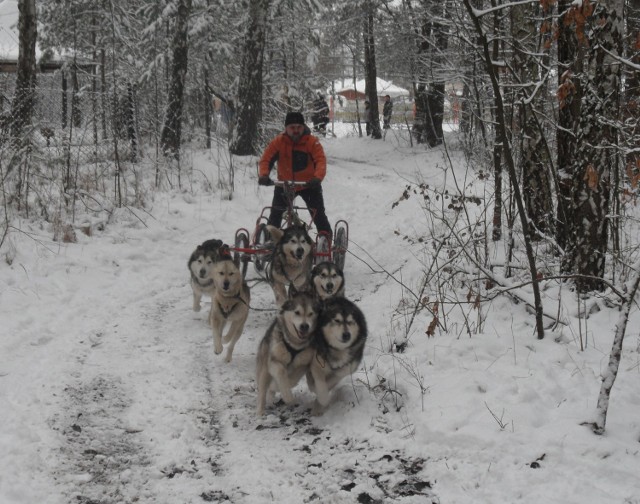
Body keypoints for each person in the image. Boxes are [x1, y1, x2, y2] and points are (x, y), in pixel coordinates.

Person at [258, 111, 332, 238]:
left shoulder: (312, 142)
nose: (296, 131)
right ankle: (270, 242)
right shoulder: (279, 142)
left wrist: (317, 178)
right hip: (285, 185)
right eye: (292, 128)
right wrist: (264, 175)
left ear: (303, 127)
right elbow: (266, 159)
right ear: (286, 128)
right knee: (275, 215)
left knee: (318, 215)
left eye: (299, 127)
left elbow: (320, 161)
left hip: (309, 185)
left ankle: (326, 240)